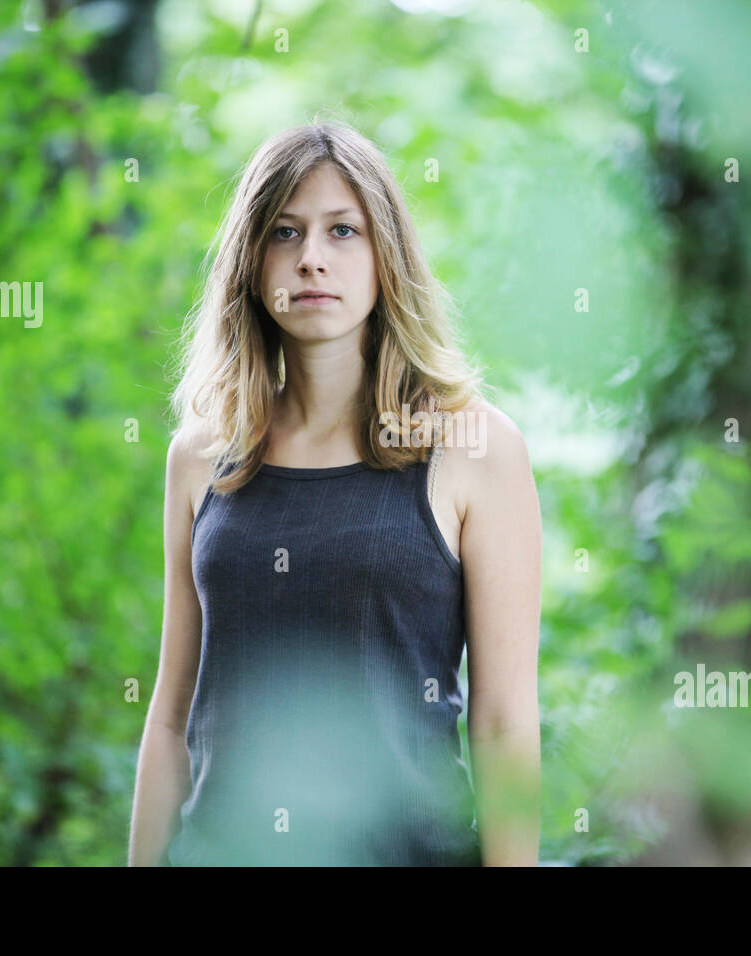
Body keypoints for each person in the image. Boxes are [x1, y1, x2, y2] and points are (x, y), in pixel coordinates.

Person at [128, 120, 541, 866]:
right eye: (284, 233)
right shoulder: (202, 454)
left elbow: (506, 723)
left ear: (387, 257)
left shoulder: (476, 449)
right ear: (251, 264)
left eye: (342, 231)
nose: (311, 259)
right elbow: (170, 719)